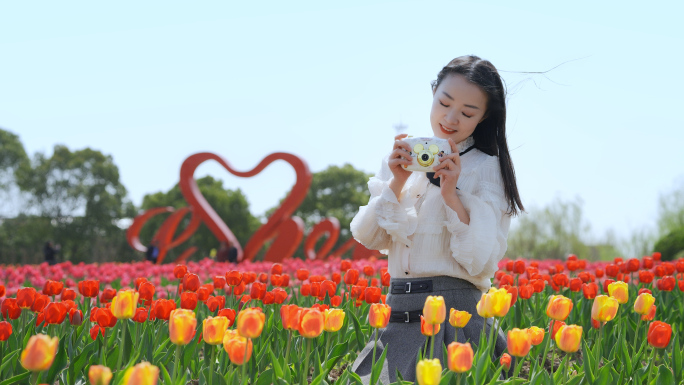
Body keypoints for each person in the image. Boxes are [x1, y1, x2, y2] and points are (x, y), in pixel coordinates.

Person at [350, 55, 524, 383]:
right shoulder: (404, 159)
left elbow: (481, 262)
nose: (451, 117)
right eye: (444, 102)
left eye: (468, 112)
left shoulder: (486, 169)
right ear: (433, 93)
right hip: (398, 313)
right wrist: (397, 182)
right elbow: (368, 236)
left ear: (484, 117)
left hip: (456, 320)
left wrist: (451, 195)